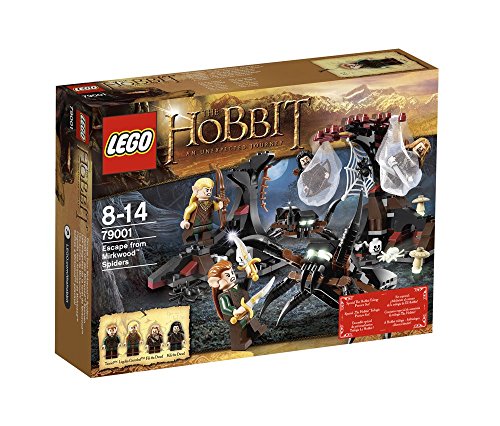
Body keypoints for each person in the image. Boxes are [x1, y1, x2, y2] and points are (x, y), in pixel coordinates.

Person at [208, 260, 267, 351]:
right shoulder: (223, 296)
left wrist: (249, 277)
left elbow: (245, 287)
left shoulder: (237, 287)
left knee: (250, 321)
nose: (232, 276)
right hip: (236, 317)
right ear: (217, 282)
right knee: (238, 329)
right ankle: (239, 343)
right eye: (228, 275)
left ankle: (256, 332)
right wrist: (234, 311)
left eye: (232, 273)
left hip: (245, 312)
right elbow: (225, 307)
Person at [180, 177, 224, 245]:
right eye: (207, 190)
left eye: (210, 190)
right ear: (197, 191)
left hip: (207, 225)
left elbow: (216, 207)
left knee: (206, 237)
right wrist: (186, 220)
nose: (209, 192)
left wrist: (220, 204)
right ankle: (191, 243)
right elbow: (187, 211)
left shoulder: (211, 202)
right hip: (194, 225)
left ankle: (204, 244)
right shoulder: (195, 204)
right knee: (189, 236)